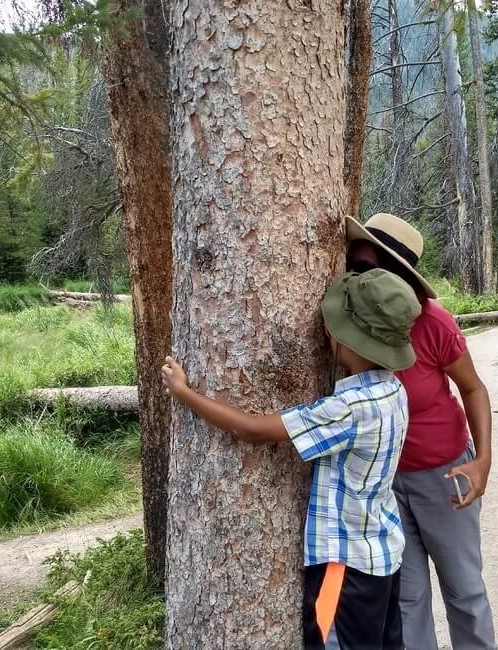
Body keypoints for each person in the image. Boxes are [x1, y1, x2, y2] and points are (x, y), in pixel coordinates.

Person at [161, 268, 422, 650]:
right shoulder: (392, 392)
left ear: (351, 341)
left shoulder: (348, 408)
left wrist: (184, 394)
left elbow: (252, 430)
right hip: (382, 556)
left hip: (343, 566)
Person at [346, 213, 497, 650]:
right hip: (385, 484)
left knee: (464, 591)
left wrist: (482, 460)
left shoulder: (433, 322)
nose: (356, 277)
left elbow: (472, 387)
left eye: (368, 269)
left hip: (445, 476)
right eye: (353, 266)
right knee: (407, 599)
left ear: (396, 274)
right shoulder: (349, 323)